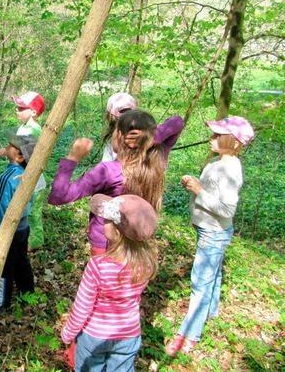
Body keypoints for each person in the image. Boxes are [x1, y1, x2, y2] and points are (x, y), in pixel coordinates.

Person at [166, 116, 254, 357]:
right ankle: (211, 312)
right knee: (212, 275)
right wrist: (194, 184)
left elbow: (227, 209)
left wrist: (199, 190)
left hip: (214, 233)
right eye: (213, 134)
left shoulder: (230, 170)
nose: (212, 138)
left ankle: (188, 336)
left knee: (200, 283)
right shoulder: (219, 162)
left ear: (234, 142)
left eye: (218, 135)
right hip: (209, 229)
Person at [60, 193, 158, 371]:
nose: (103, 221)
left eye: (106, 220)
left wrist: (68, 333)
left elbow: (83, 307)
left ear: (116, 232)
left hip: (94, 336)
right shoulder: (147, 264)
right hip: (128, 334)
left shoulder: (98, 266)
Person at [48, 110, 166, 256]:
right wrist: (147, 138)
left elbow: (58, 197)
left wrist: (73, 157)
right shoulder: (155, 164)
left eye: (115, 129)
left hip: (106, 244)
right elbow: (177, 122)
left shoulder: (108, 171)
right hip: (138, 244)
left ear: (121, 136)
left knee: (103, 277)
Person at [0, 91, 48, 250]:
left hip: (32, 180)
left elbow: (30, 156)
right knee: (25, 210)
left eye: (22, 108)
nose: (17, 110)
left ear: (34, 112)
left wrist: (24, 174)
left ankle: (35, 241)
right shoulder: (24, 127)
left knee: (32, 213)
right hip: (23, 177)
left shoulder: (33, 130)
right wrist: (4, 151)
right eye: (17, 107)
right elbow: (19, 150)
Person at [0, 134, 37, 310]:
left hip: (8, 230)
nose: (6, 145)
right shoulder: (28, 175)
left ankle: (0, 302)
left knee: (4, 266)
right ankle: (28, 292)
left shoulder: (6, 178)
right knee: (21, 260)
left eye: (10, 145)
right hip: (23, 227)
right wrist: (6, 152)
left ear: (19, 156)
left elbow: (1, 208)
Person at [101, 92, 185, 162]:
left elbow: (177, 121)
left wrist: (149, 138)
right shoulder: (112, 144)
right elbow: (105, 173)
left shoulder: (154, 138)